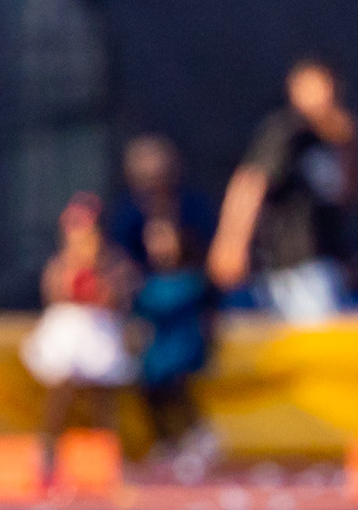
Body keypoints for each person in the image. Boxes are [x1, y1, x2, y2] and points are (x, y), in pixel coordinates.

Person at [208, 58, 358, 323]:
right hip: (292, 265)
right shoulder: (286, 131)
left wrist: (350, 146)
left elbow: (349, 196)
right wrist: (231, 242)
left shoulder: (332, 139)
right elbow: (250, 183)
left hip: (326, 260)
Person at [22, 193, 140, 457]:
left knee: (102, 396)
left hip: (98, 330)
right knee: (61, 389)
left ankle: (105, 451)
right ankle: (49, 449)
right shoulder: (62, 262)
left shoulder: (113, 261)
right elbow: (53, 291)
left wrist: (101, 280)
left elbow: (122, 293)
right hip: (68, 330)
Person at [131, 217, 215, 461]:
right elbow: (140, 313)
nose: (158, 246)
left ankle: (198, 435)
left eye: (164, 238)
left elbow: (170, 305)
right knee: (151, 393)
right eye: (152, 239)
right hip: (156, 350)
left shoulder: (193, 277)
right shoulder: (146, 278)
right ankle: (165, 442)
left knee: (178, 389)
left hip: (181, 346)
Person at [108, 134, 217, 272]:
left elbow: (212, 249)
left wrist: (183, 243)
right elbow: (120, 256)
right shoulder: (126, 216)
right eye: (145, 178)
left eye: (160, 177)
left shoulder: (195, 207)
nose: (154, 187)